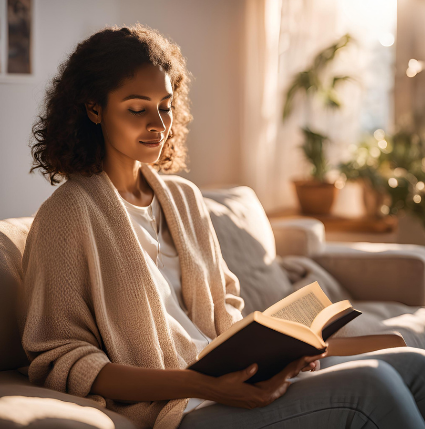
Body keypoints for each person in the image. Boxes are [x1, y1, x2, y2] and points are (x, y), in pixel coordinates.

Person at [19, 23, 425, 429]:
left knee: (413, 363)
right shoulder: (67, 215)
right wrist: (206, 387)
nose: (157, 123)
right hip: (185, 407)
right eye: (137, 108)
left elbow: (226, 311)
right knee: (372, 384)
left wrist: (280, 356)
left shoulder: (184, 199)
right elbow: (63, 358)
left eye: (165, 105)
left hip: (240, 383)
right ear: (94, 108)